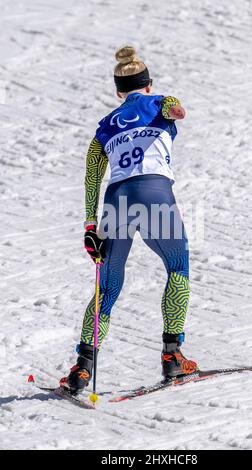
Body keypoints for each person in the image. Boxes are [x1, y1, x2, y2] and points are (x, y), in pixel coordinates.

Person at [60, 46, 198, 395]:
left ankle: (82, 369)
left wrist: (90, 225)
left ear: (118, 92)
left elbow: (92, 175)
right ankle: (172, 356)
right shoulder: (160, 102)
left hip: (116, 202)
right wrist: (175, 110)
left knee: (106, 287)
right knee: (177, 267)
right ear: (148, 85)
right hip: (156, 195)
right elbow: (172, 107)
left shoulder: (105, 126)